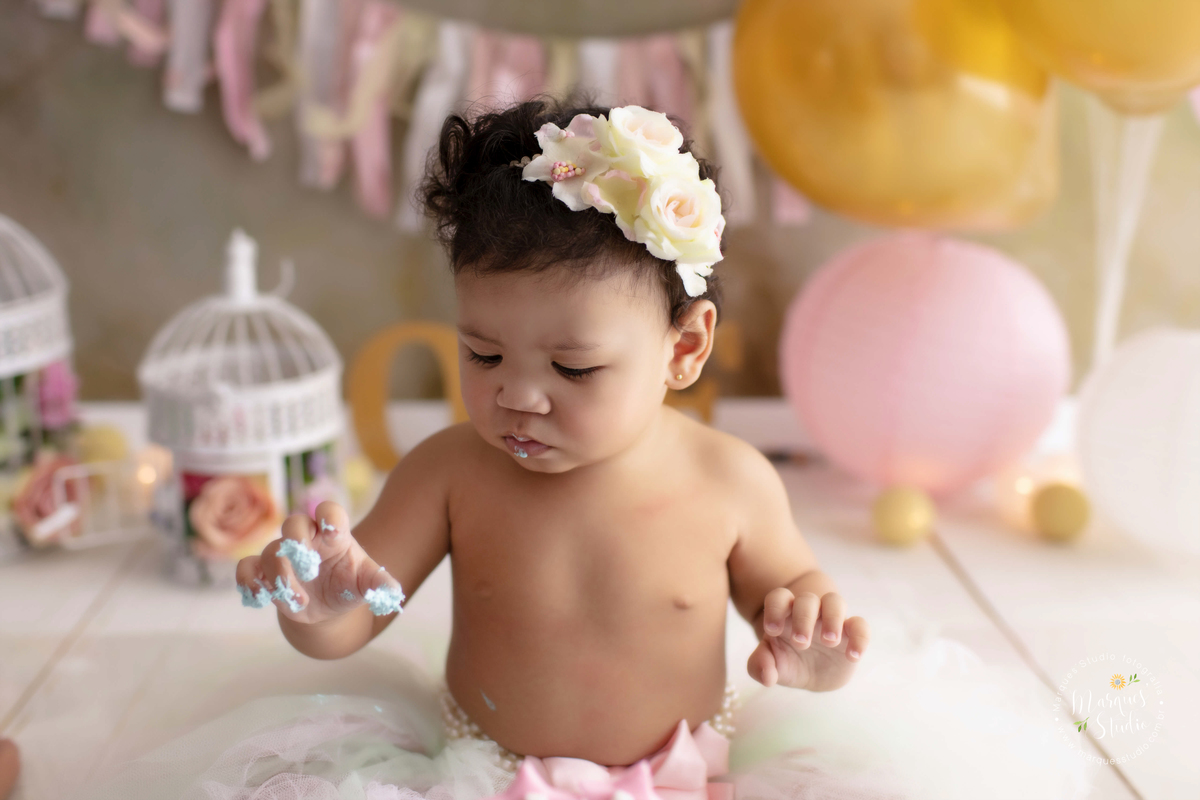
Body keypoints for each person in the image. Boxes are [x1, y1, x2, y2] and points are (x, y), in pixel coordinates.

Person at [87, 99, 1087, 800]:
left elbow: (792, 597)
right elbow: (351, 618)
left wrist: (811, 651)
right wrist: (318, 608)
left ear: (681, 348)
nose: (518, 392)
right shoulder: (449, 470)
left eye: (574, 367)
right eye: (482, 351)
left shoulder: (728, 481)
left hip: (700, 775)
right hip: (478, 773)